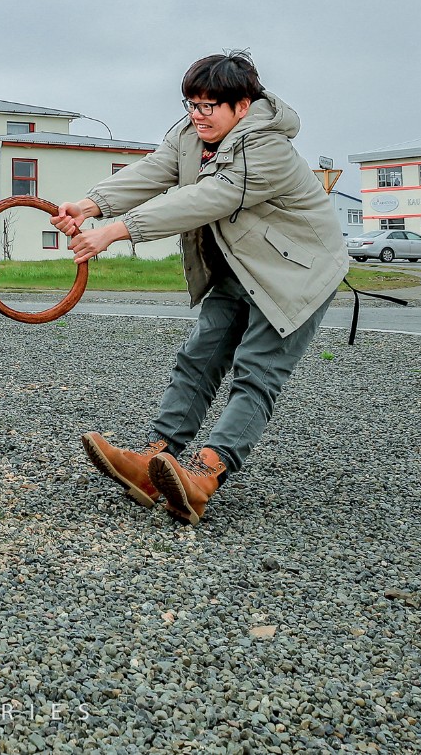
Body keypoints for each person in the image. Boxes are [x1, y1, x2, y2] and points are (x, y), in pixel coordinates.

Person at [52, 52, 349, 524]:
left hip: (299, 270)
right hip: (240, 264)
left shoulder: (267, 147)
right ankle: (157, 459)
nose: (198, 113)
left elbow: (207, 198)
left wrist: (116, 230)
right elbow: (155, 170)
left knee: (256, 371)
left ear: (243, 106)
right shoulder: (190, 133)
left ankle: (205, 475)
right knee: (199, 356)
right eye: (192, 102)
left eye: (210, 105)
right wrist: (92, 205)